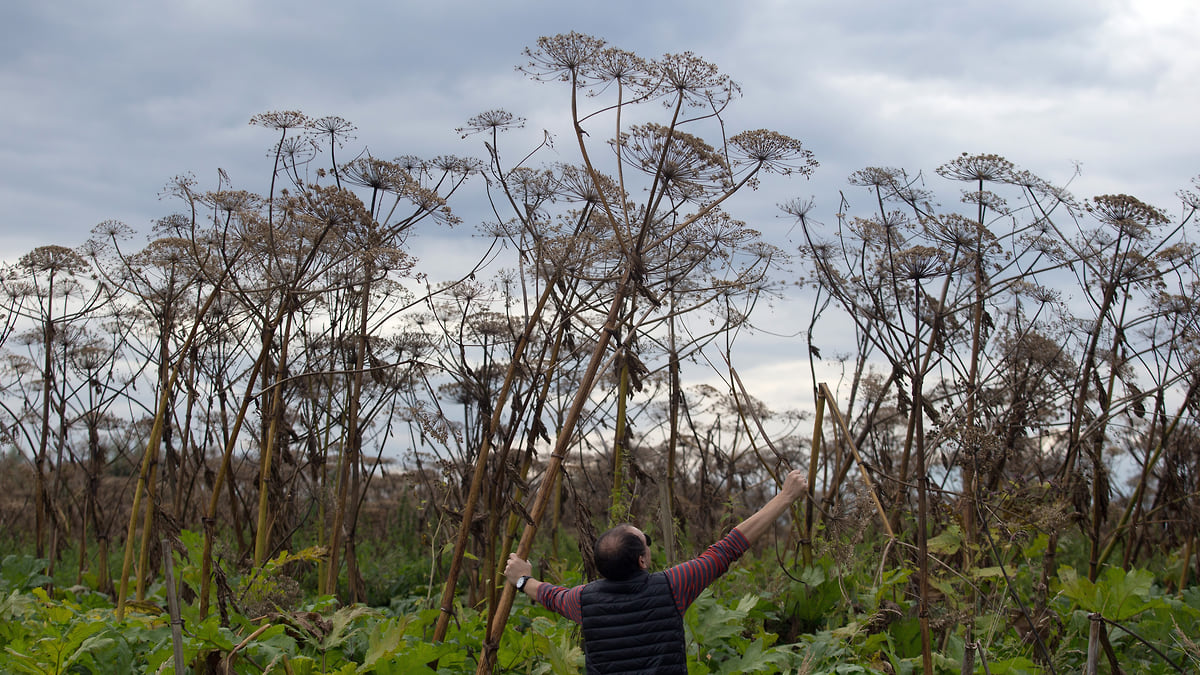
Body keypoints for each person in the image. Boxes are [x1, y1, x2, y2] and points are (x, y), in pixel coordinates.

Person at [504, 468, 808, 674]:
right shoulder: (673, 586)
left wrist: (521, 578)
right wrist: (785, 497)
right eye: (644, 541)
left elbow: (547, 594)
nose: (648, 544)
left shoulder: (582, 600)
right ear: (641, 561)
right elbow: (729, 547)